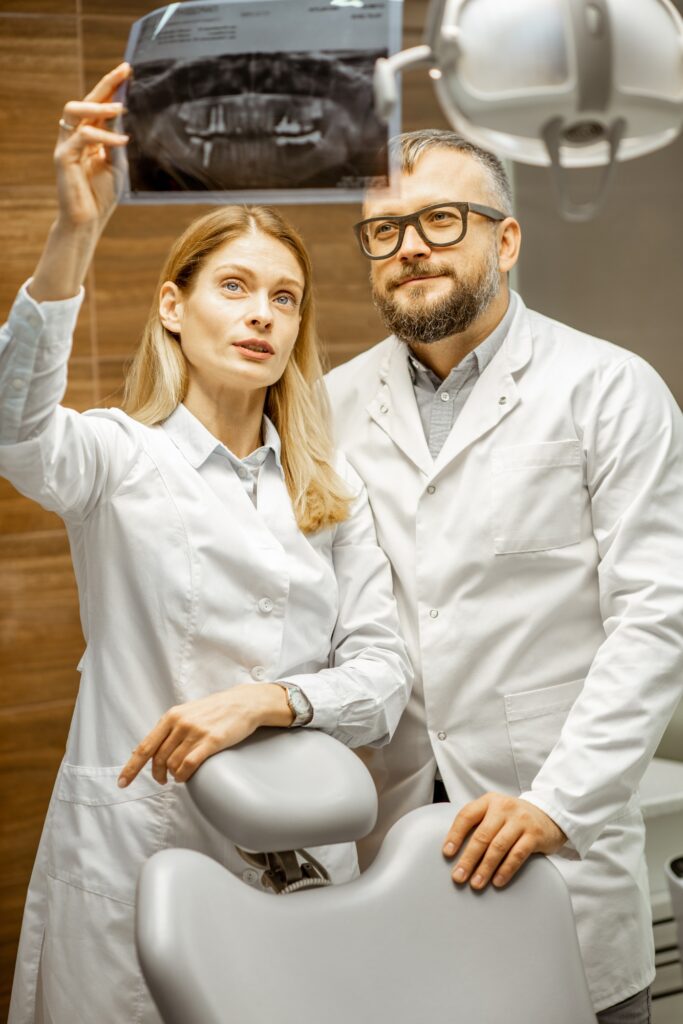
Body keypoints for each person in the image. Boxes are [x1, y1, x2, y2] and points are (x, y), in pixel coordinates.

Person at [2, 65, 412, 1024]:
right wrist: (76, 231)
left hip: (303, 857)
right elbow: (14, 430)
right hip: (143, 846)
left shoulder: (326, 496)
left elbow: (384, 674)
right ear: (173, 308)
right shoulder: (115, 459)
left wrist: (265, 701)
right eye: (234, 287)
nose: (263, 313)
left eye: (285, 297)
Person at [325, 128, 683, 1023]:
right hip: (384, 840)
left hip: (555, 841)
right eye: (385, 230)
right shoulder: (326, 406)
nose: (409, 247)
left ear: (506, 240)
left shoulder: (607, 388)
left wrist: (558, 804)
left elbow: (658, 616)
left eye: (440, 220)